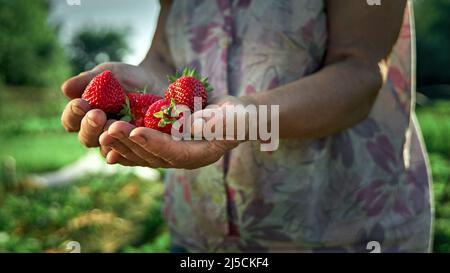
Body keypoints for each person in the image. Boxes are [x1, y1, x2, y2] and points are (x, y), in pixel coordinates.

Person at [60, 0, 432, 252]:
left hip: (340, 227)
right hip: (199, 230)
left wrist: (247, 116)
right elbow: (164, 55)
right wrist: (141, 81)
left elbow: (359, 68)